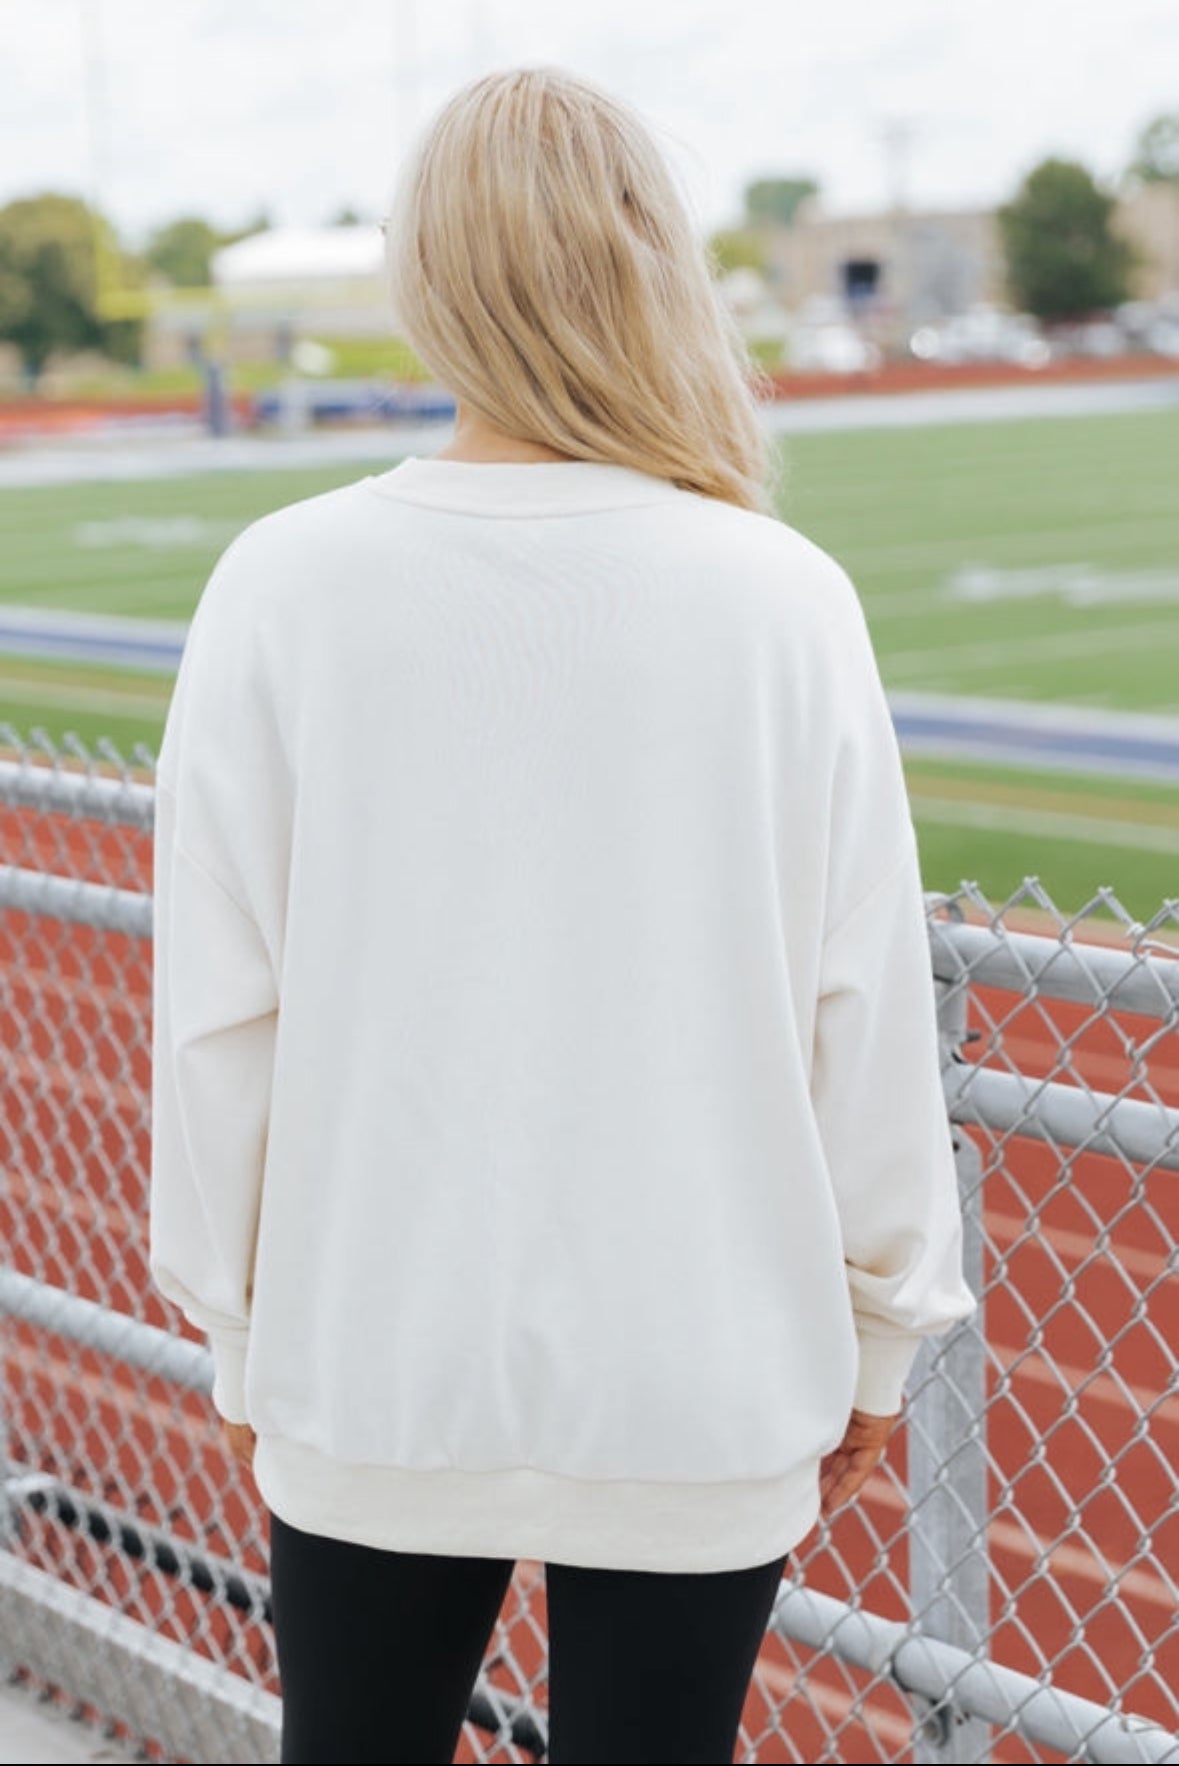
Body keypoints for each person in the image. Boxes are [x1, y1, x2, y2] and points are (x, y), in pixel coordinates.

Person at [149, 65, 976, 1766]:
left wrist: (247, 1340)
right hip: (703, 1372)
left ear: (424, 278)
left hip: (372, 1356)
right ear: (651, 266)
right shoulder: (781, 598)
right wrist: (882, 1332)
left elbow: (218, 1019)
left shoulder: (279, 588)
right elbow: (865, 1011)